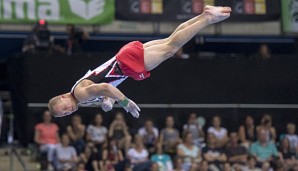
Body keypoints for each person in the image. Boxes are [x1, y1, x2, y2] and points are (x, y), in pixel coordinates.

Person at [48, 6, 232, 118]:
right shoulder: (81, 98)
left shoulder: (79, 95)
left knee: (171, 49)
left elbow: (105, 87)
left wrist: (124, 102)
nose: (68, 111)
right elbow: (103, 88)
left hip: (126, 64)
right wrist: (108, 102)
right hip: (124, 58)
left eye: (64, 108)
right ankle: (204, 14)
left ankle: (207, 19)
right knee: (170, 41)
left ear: (63, 97)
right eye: (65, 114)